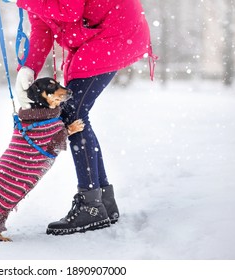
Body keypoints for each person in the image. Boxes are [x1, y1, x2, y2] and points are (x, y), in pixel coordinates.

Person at [14, 0, 156, 235]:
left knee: (73, 113)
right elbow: (42, 28)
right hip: (100, 35)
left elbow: (70, 10)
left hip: (116, 33)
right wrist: (29, 68)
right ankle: (102, 201)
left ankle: (92, 205)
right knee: (74, 112)